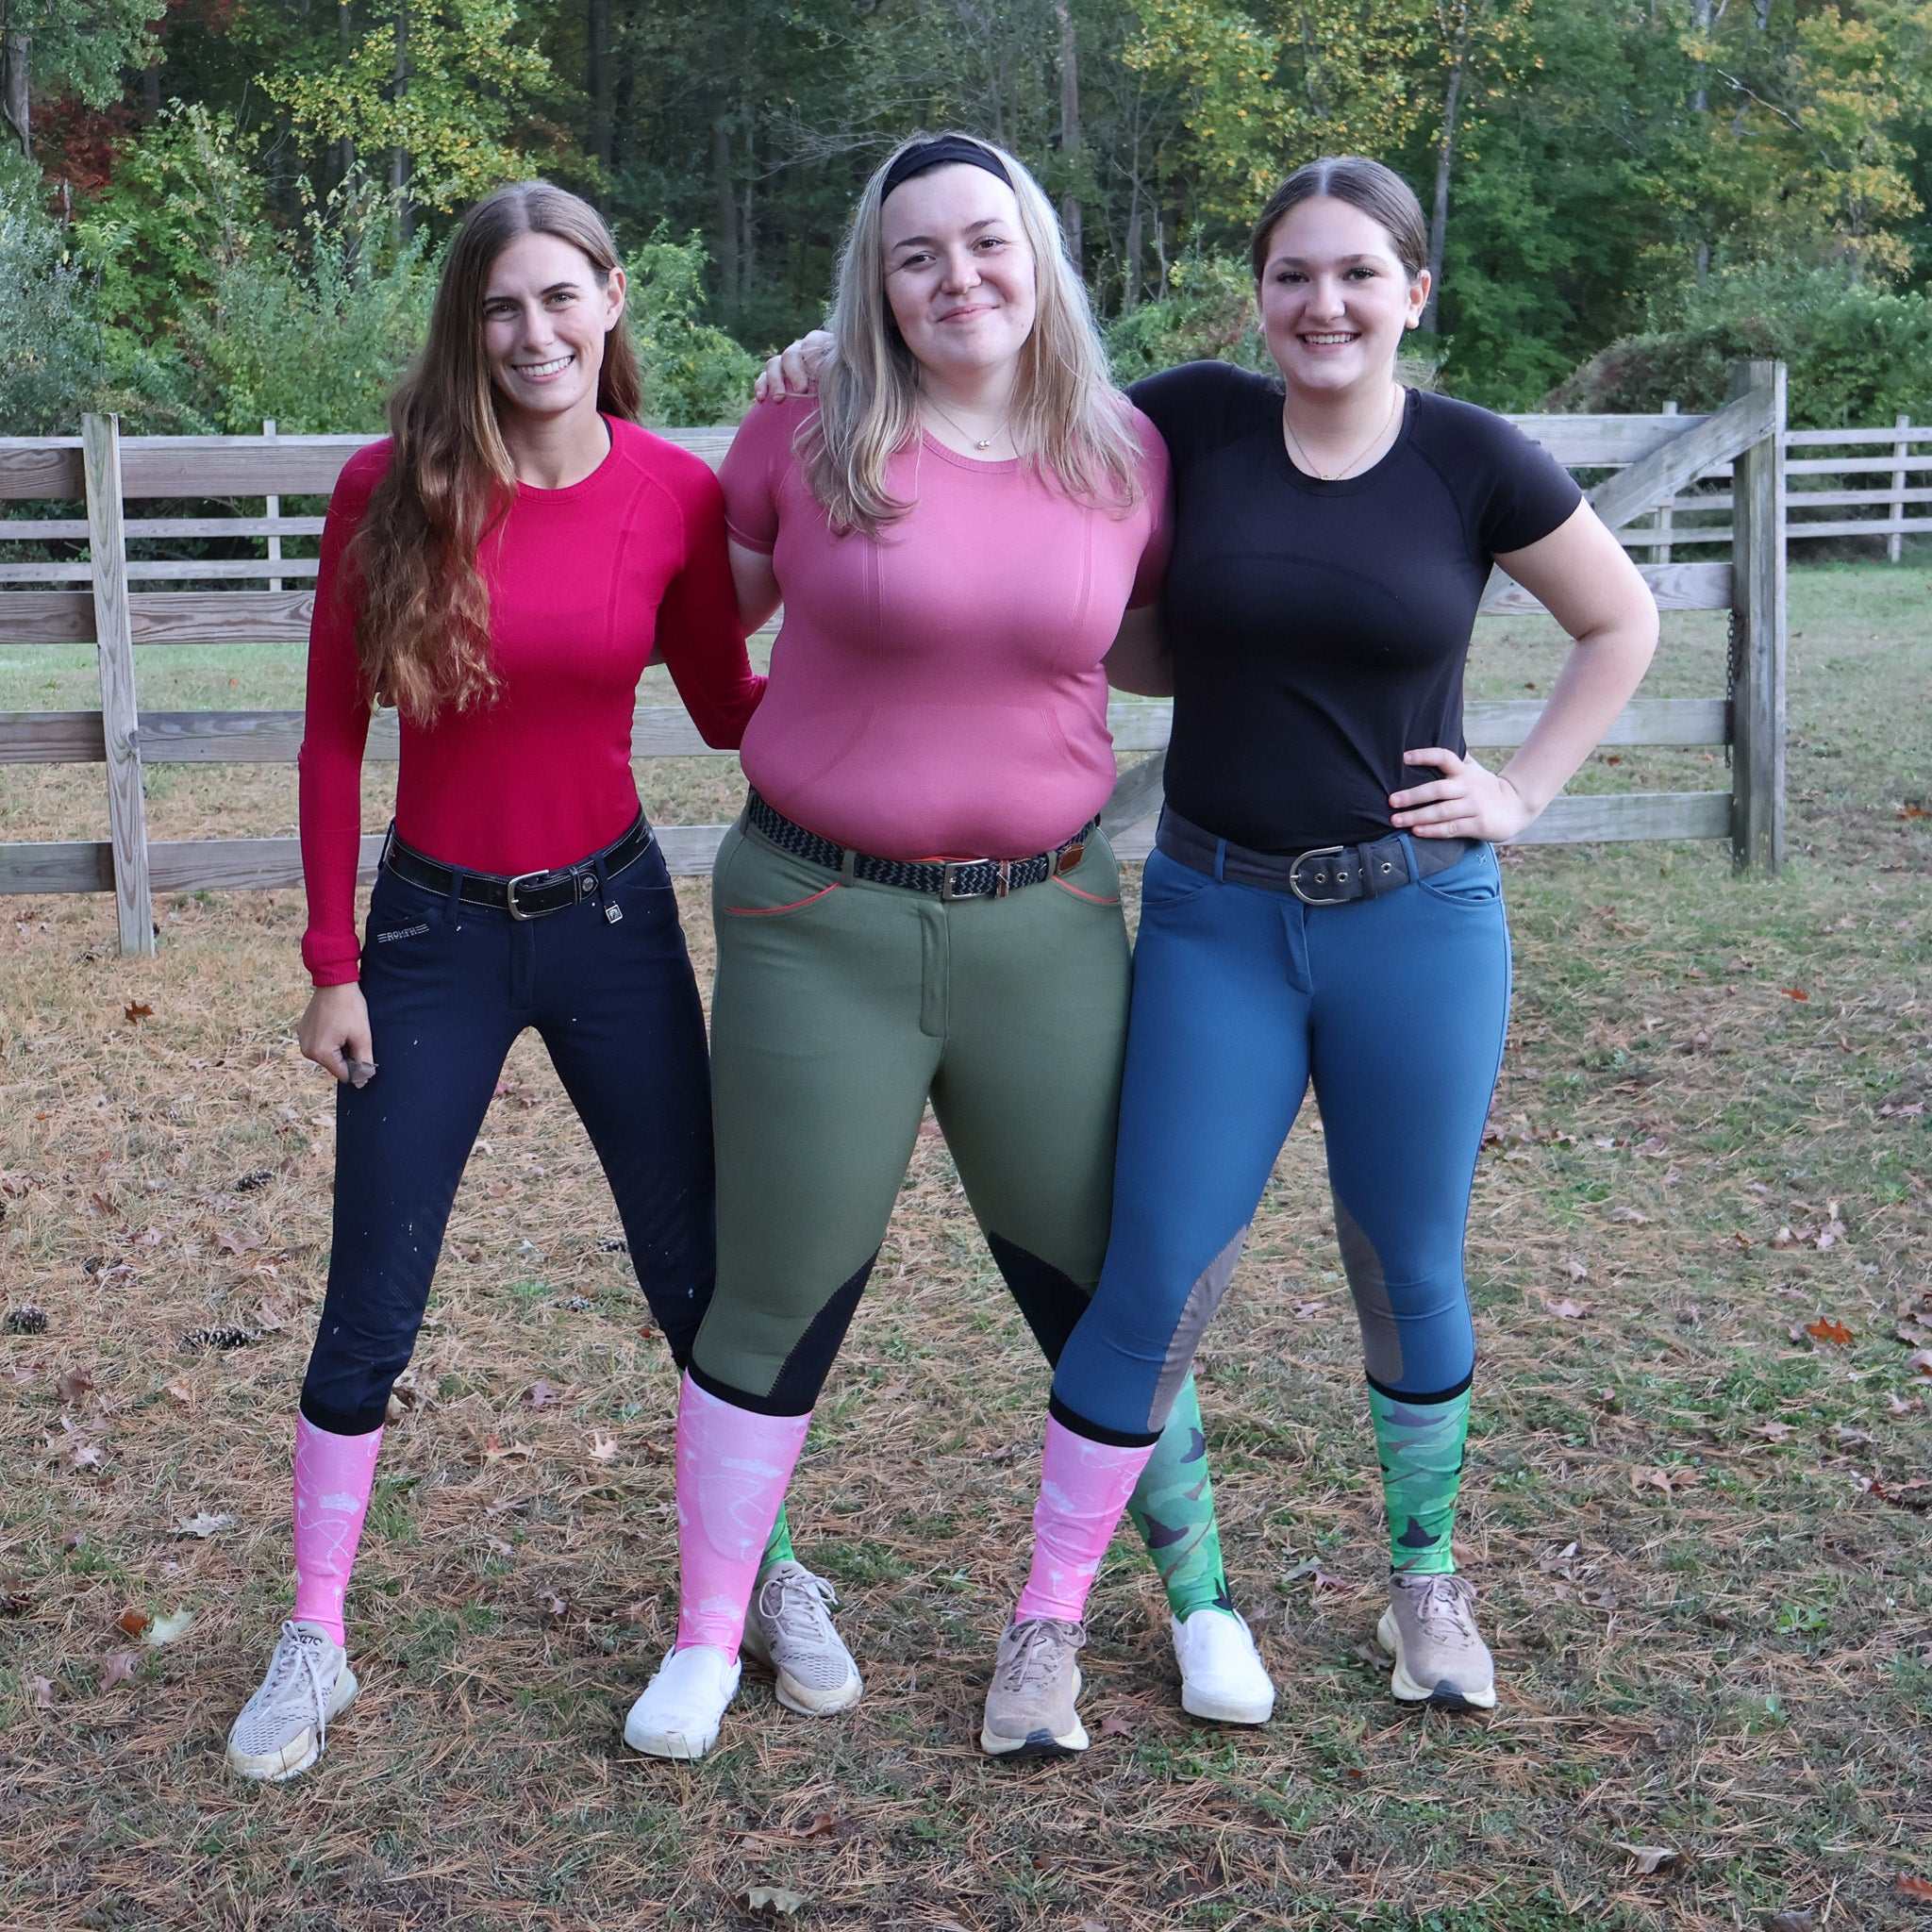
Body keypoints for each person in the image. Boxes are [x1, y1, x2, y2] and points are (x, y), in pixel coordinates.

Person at [620, 132, 1274, 1763]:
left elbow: (1173, 647)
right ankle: (712, 1633)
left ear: (1038, 252)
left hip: (1045, 929)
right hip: (816, 922)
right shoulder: (815, 418)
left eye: (986, 243)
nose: (957, 278)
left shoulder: (1124, 451)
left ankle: (1199, 1597)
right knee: (773, 1282)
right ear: (876, 281)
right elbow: (707, 605)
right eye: (918, 255)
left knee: (1110, 1284)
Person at [223, 180, 808, 1782]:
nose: (535, 333)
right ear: (467, 326)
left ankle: (749, 1576)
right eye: (502, 306)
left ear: (614, 300)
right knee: (373, 1292)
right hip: (429, 940)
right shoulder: (391, 489)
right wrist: (331, 961)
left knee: (693, 1269)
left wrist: (854, 572)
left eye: (563, 298)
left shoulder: (676, 495)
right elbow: (338, 732)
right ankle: (318, 1636)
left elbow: (728, 708)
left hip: (613, 922)